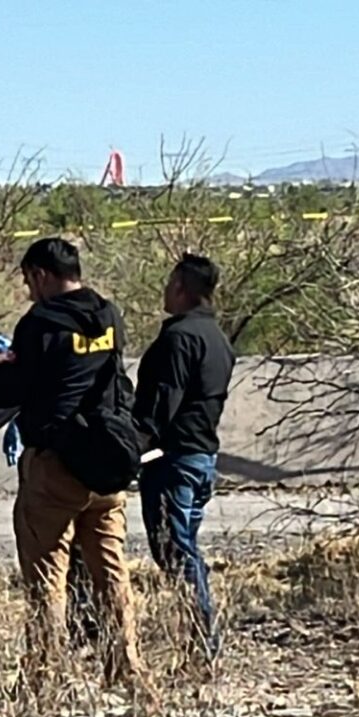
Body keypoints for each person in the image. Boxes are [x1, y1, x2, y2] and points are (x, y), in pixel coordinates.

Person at [0, 237, 147, 702]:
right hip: (107, 466)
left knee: (46, 577)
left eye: (27, 280)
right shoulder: (108, 315)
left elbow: (15, 385)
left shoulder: (40, 323)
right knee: (111, 573)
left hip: (55, 467)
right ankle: (127, 670)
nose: (27, 290)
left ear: (41, 274)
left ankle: (44, 677)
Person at [133, 253, 235, 662]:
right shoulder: (218, 340)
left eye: (169, 282)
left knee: (175, 551)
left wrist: (130, 447)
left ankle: (202, 644)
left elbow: (161, 404)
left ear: (181, 288)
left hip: (172, 460)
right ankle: (197, 635)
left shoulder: (178, 339)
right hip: (201, 457)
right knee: (185, 547)